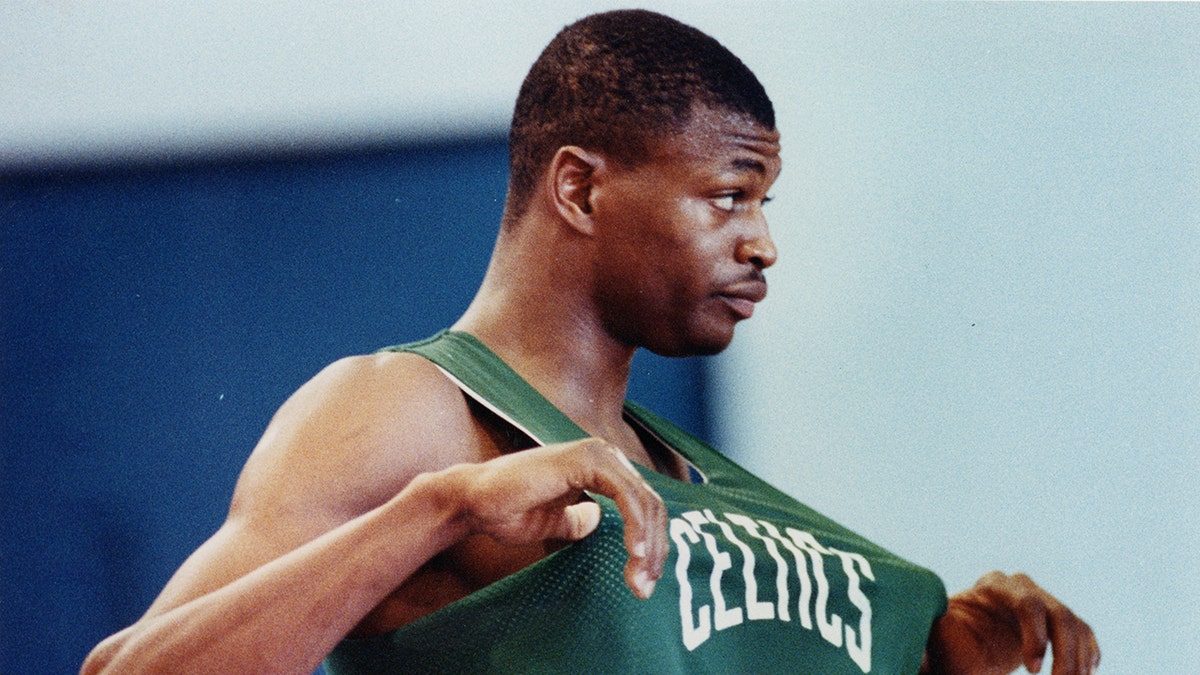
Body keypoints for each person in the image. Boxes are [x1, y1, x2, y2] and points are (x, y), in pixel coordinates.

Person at [81, 9, 1100, 675]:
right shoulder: (414, 412)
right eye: (728, 196)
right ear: (580, 187)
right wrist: (439, 509)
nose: (764, 244)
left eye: (765, 202)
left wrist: (940, 654)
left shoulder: (692, 476)